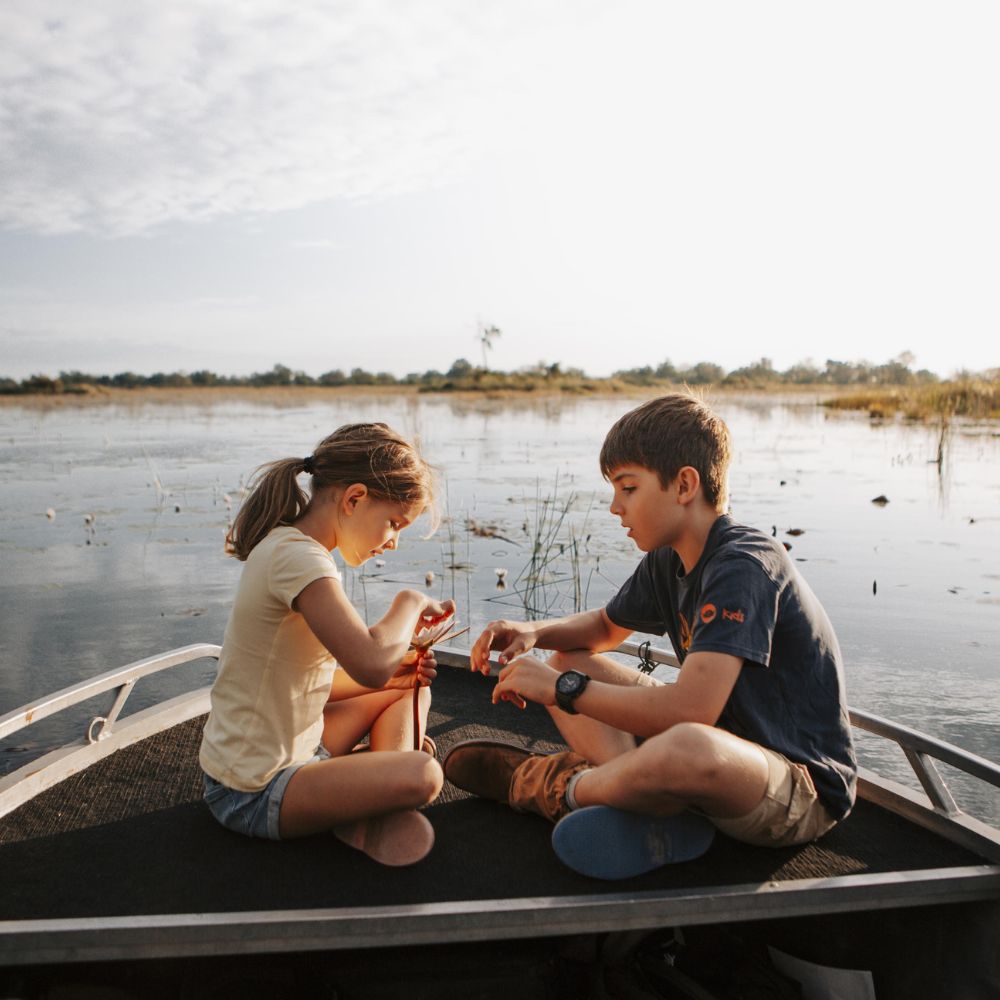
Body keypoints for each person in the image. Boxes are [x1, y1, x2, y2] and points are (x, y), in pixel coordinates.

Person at [444, 393, 857, 880]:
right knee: (568, 660)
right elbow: (602, 629)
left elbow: (691, 712)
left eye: (628, 487)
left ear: (684, 484)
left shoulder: (743, 564)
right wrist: (532, 632)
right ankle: (641, 802)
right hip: (719, 741)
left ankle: (563, 788)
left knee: (686, 744)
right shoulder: (670, 558)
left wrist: (559, 692)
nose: (616, 506)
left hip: (793, 787)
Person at [200, 422, 451, 866]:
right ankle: (372, 793)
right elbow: (372, 663)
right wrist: (409, 602)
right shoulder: (299, 559)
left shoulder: (294, 551)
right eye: (394, 524)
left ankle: (363, 793)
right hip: (253, 792)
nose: (392, 542)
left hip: (302, 754)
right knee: (425, 774)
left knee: (410, 686)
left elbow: (316, 684)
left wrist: (399, 673)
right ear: (354, 498)